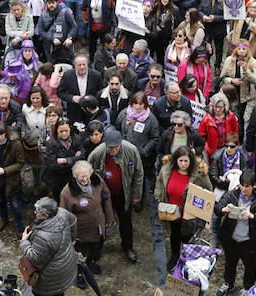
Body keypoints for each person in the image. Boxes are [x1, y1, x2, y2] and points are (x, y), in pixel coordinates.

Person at [87, 126, 143, 263]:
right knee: (101, 222)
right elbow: (87, 171)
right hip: (105, 196)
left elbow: (138, 174)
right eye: (110, 148)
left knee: (126, 222)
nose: (113, 151)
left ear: (120, 144)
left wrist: (137, 195)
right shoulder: (97, 153)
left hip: (124, 194)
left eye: (116, 148)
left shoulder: (131, 150)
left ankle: (128, 247)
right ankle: (97, 249)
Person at [154, 145, 212, 271]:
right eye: (181, 161)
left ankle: (186, 260)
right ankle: (174, 256)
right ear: (176, 160)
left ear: (190, 161)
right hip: (171, 212)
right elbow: (159, 181)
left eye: (186, 161)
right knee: (174, 235)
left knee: (187, 238)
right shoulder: (167, 169)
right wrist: (158, 196)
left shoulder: (198, 174)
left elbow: (208, 191)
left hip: (189, 216)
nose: (183, 164)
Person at [214, 169, 256, 296]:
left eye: (247, 186)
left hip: (249, 240)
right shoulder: (232, 195)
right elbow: (217, 208)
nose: (244, 189)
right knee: (230, 263)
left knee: (250, 266)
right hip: (231, 237)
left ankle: (247, 287)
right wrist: (224, 209)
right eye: (242, 186)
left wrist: (251, 216)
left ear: (253, 186)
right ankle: (228, 283)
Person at [19, 197, 78, 296]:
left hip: (50, 278)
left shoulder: (43, 237)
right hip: (66, 265)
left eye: (37, 212)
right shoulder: (62, 212)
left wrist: (24, 241)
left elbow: (35, 259)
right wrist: (72, 239)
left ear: (45, 216)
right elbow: (73, 221)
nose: (35, 213)